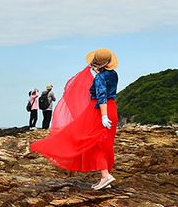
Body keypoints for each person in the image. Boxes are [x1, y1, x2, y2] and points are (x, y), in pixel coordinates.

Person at [30, 48, 119, 190]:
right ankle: (105, 176)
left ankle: (105, 176)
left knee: (92, 142)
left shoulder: (100, 78)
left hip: (100, 110)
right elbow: (107, 88)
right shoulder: (113, 74)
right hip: (112, 108)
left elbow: (102, 95)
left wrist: (103, 116)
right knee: (103, 142)